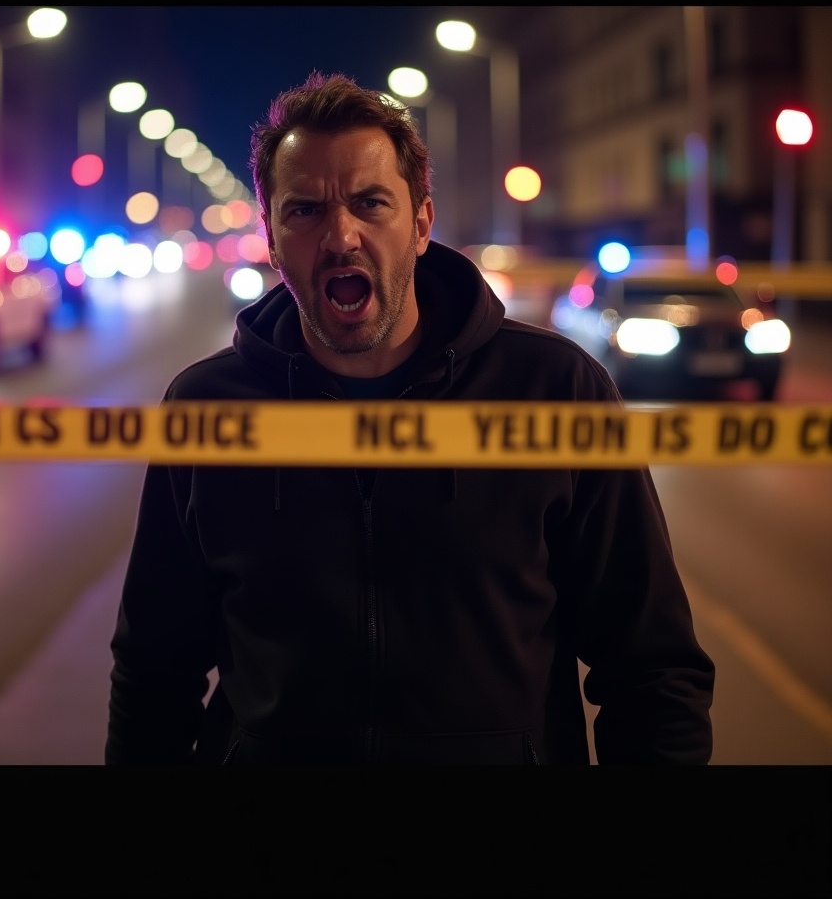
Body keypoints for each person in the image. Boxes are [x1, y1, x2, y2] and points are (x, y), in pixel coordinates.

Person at [105, 70, 715, 765]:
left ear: (421, 224)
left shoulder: (557, 390)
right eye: (304, 210)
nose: (341, 236)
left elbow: (652, 669)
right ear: (271, 241)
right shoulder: (207, 409)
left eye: (371, 203)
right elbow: (154, 672)